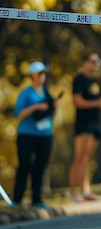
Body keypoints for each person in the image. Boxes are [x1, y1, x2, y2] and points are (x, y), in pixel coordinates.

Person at [12, 61, 60, 209]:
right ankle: (17, 199)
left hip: (45, 135)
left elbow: (52, 116)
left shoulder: (46, 92)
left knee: (40, 166)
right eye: (39, 74)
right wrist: (37, 106)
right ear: (32, 75)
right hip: (27, 135)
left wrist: (53, 107)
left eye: (43, 74)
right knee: (25, 165)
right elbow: (18, 114)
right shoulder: (26, 93)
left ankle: (37, 199)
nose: (42, 77)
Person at [69, 52, 101, 202]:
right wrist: (97, 103)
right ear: (85, 62)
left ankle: (85, 190)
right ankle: (72, 191)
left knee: (87, 159)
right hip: (83, 123)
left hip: (94, 124)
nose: (95, 64)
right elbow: (77, 101)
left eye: (97, 61)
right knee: (79, 157)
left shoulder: (95, 81)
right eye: (92, 61)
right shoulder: (79, 80)